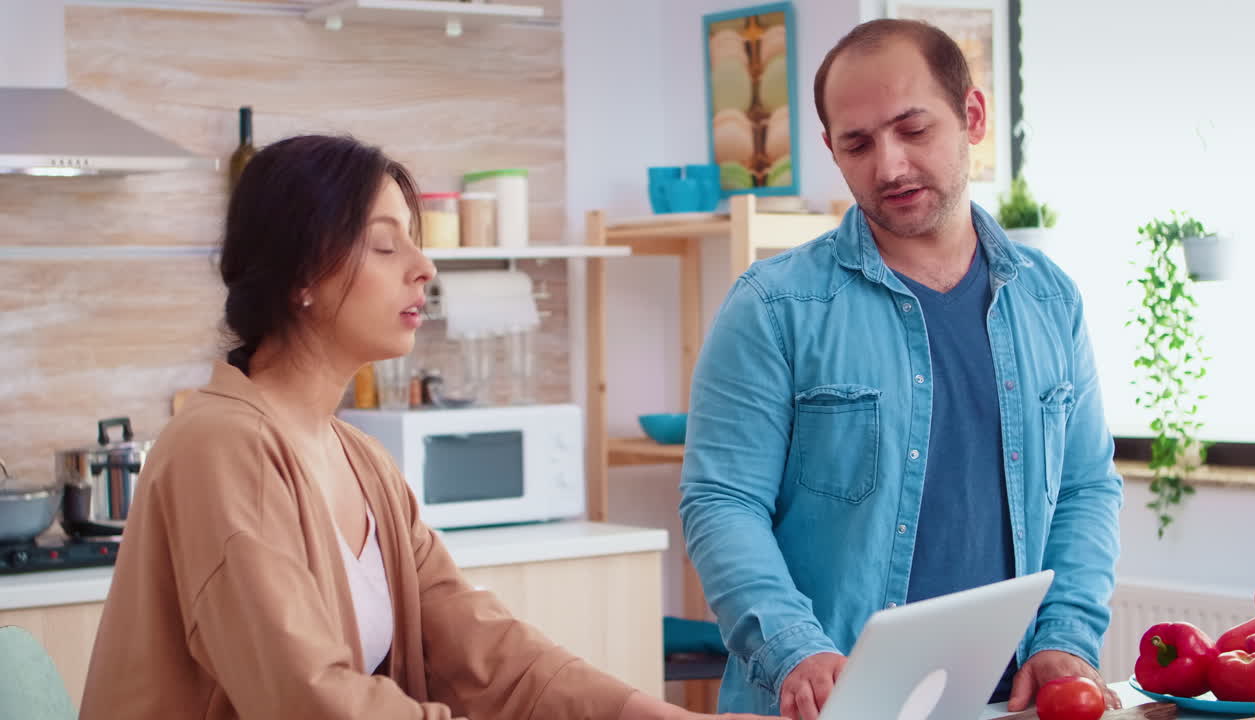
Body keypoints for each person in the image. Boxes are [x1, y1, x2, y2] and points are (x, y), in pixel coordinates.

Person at [79, 134, 774, 720]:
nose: (425, 268)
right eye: (386, 248)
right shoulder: (220, 446)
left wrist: (649, 714)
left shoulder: (359, 459)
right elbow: (307, 697)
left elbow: (484, 651)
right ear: (302, 275)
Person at [678, 19, 1124, 719]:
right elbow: (721, 503)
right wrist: (797, 650)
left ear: (971, 117)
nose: (888, 166)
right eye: (857, 143)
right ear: (832, 149)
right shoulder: (772, 307)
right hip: (830, 705)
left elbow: (1086, 487)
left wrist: (1067, 635)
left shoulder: (1050, 298)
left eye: (913, 130)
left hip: (1012, 703)